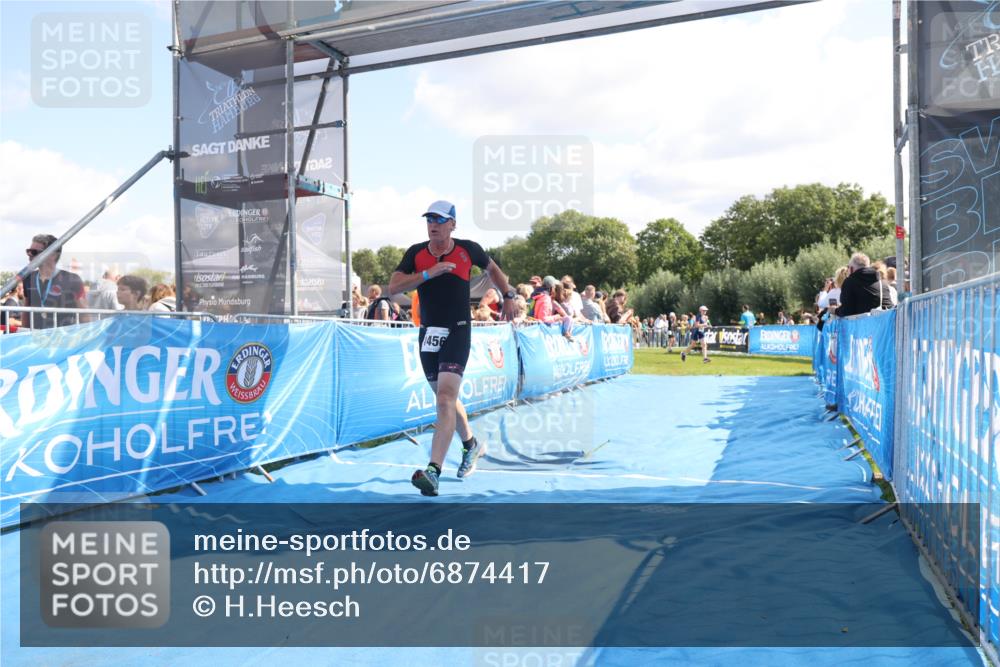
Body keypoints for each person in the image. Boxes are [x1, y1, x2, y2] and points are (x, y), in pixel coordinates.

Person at [388, 200, 516, 497]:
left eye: (439, 220)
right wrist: (427, 274)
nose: (433, 225)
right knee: (445, 397)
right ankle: (471, 444)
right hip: (429, 333)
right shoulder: (416, 253)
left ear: (452, 224)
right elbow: (393, 287)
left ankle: (433, 471)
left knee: (445, 398)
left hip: (458, 329)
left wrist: (508, 295)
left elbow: (494, 270)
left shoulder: (468, 249)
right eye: (429, 220)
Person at [22, 233, 87, 328]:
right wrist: (24, 332)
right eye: (28, 251)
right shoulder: (28, 278)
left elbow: (84, 315)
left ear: (52, 255)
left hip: (63, 336)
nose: (29, 255)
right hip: (36, 335)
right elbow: (26, 311)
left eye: (34, 252)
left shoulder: (72, 279)